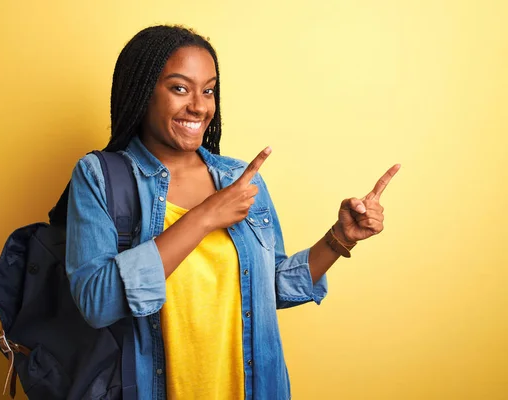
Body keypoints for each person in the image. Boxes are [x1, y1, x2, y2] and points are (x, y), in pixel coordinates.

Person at [65, 25, 400, 400]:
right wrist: (204, 217)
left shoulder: (238, 179)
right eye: (179, 88)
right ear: (142, 92)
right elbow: (97, 302)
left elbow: (267, 289)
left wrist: (338, 239)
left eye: (208, 90)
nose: (199, 106)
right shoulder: (100, 176)